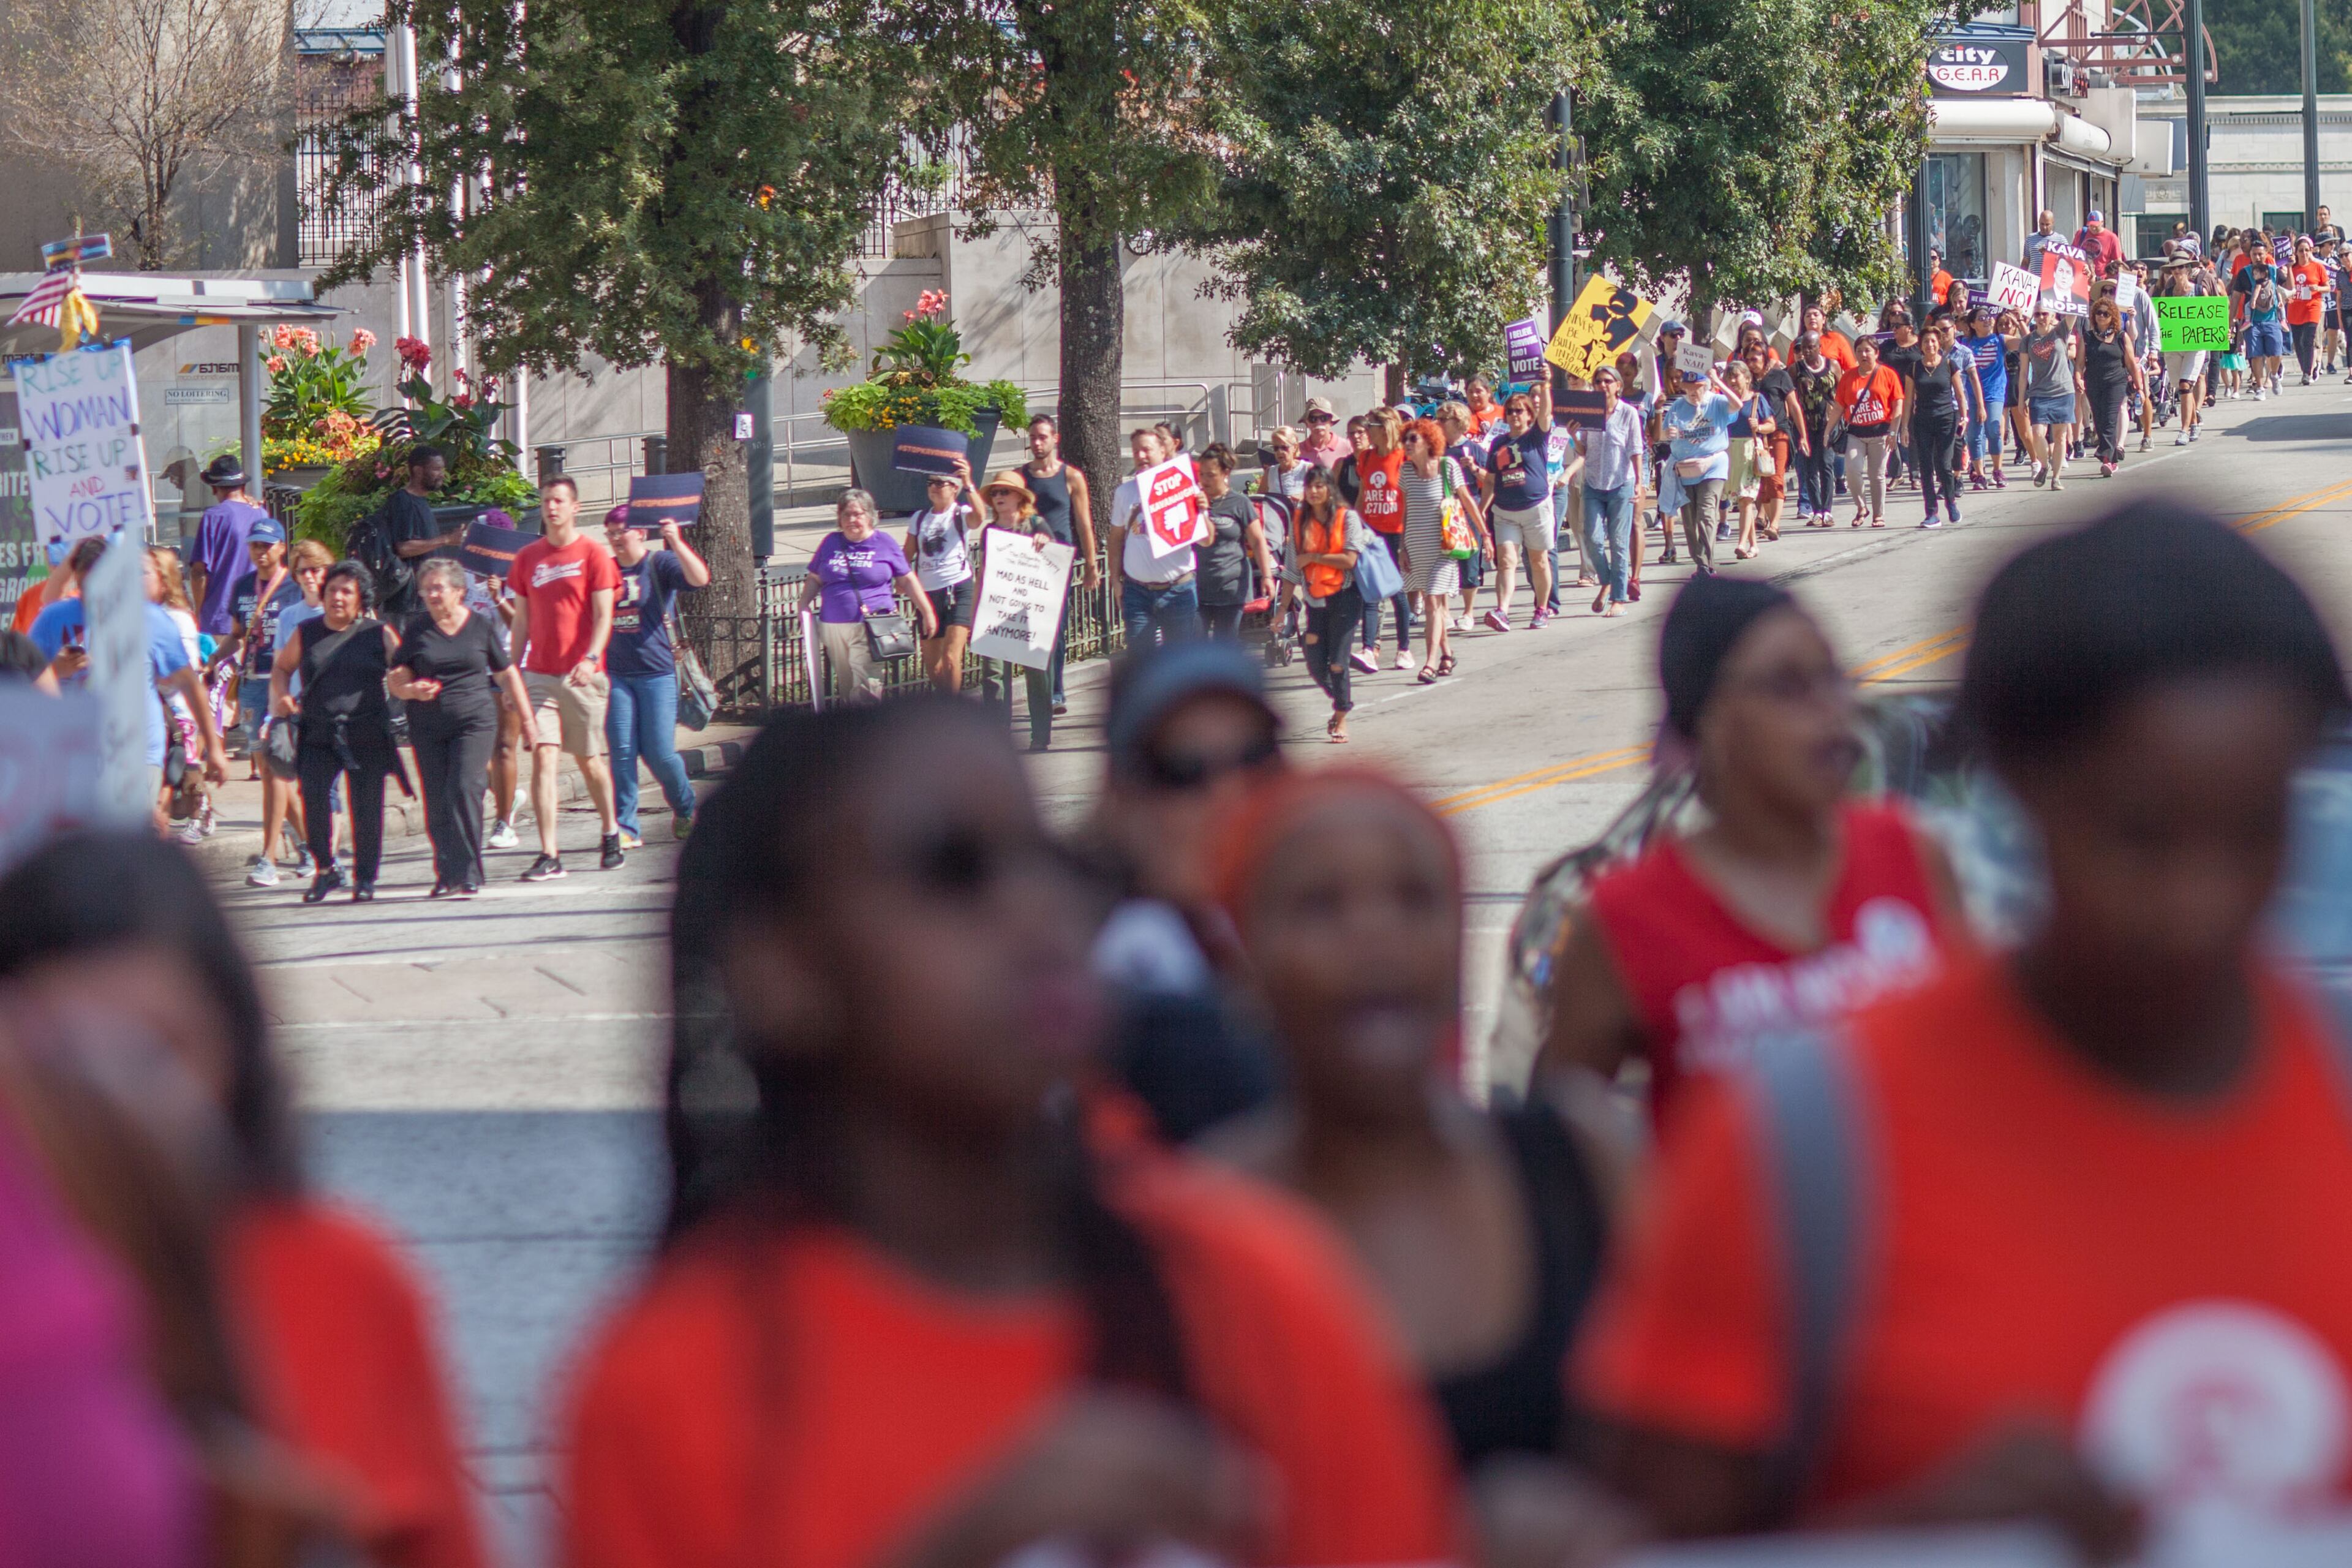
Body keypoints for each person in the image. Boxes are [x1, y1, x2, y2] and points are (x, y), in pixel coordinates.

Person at [1574, 507, 2352, 1557]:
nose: (2198, 906)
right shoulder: (1797, 1145)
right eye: (2141, 837)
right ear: (2019, 790)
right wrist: (1909, 1538)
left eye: (2256, 831)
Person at [575, 696, 1454, 1568]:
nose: (1035, 910)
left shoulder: (1247, 1284)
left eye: (1047, 858)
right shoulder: (673, 1384)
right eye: (952, 867)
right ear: (783, 966)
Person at [0, 830, 491, 1567]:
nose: (122, 1106)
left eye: (158, 1054)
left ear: (237, 1042)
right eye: (70, 1058)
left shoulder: (343, 1275)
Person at [1202, 770, 1635, 1558]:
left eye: (1414, 898)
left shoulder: (1584, 1163)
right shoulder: (1192, 1235)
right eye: (1319, 904)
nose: (1374, 934)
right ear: (1246, 962)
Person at [1539, 573, 1965, 1134]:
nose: (1832, 710)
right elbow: (1548, 1149)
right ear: (1710, 721)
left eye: (1833, 678)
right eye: (1789, 687)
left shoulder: (1911, 854)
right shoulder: (1624, 920)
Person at [28, 537, 228, 814]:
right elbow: (23, 681)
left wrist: (215, 749)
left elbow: (190, 684)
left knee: (124, 843)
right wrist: (55, 670)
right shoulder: (54, 618)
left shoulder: (151, 620)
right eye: (84, 585)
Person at [389, 558, 533, 896]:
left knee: (465, 788)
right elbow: (396, 678)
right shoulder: (417, 629)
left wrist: (528, 719)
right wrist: (411, 690)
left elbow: (506, 672)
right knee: (437, 799)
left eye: (438, 588)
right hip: (427, 725)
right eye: (426, 589)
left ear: (459, 592)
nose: (431, 595)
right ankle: (445, 872)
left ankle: (469, 871)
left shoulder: (481, 626)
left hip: (475, 721)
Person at [508, 475, 627, 880]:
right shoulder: (528, 558)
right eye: (546, 501)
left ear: (575, 507)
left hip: (583, 676)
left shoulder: (593, 555)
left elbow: (604, 615)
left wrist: (591, 658)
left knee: (589, 760)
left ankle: (611, 832)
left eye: (559, 501)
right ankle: (549, 853)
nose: (552, 508)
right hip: (540, 673)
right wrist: (513, 672)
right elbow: (521, 620)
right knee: (543, 755)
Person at [271, 561, 405, 903]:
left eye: (347, 591)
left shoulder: (378, 633)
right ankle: (326, 870)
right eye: (332, 590)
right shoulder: (306, 631)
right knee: (314, 801)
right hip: (318, 732)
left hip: (367, 732)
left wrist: (409, 686)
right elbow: (282, 669)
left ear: (361, 598)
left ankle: (365, 877)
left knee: (366, 807)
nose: (338, 597)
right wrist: (283, 698)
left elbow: (404, 669)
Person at [600, 501, 711, 845]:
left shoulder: (658, 564)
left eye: (622, 532)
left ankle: (684, 806)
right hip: (617, 673)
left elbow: (700, 578)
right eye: (610, 534)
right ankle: (627, 828)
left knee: (660, 753)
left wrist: (676, 541)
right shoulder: (604, 569)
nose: (616, 540)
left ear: (640, 533)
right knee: (622, 751)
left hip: (657, 674)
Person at [208, 519, 307, 884]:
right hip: (251, 685)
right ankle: (309, 847)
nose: (261, 553)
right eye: (254, 546)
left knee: (275, 769)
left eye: (267, 546)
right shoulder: (241, 586)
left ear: (282, 547)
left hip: (283, 683)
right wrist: (216, 658)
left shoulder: (295, 588)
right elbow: (237, 635)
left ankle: (271, 857)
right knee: (269, 769)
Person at [802, 488, 936, 709]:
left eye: (858, 514)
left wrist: (927, 611)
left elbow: (909, 580)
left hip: (870, 626)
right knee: (846, 686)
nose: (852, 520)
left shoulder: (885, 543)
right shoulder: (831, 542)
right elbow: (815, 578)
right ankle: (853, 735)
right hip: (833, 626)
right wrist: (803, 605)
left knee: (866, 685)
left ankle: (866, 734)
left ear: (871, 516)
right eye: (846, 514)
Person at [1021, 415, 1098, 717]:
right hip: (1025, 561)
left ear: (1056, 438)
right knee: (1031, 628)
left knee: (1056, 628)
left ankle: (1056, 691)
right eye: (1033, 438)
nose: (1037, 443)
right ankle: (1038, 689)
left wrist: (1091, 563)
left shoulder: (1071, 476)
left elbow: (1083, 521)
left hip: (1057, 561)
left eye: (1042, 437)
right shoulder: (1020, 477)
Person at [1292, 467, 1371, 744]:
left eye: (1319, 486)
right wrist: (1280, 610)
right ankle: (1342, 701)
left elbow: (1350, 560)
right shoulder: (1301, 519)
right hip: (1315, 599)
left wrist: (1314, 556)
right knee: (1314, 661)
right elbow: (1293, 567)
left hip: (1345, 597)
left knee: (1338, 663)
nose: (1313, 492)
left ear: (1329, 489)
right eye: (1309, 487)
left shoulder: (1348, 517)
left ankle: (1341, 717)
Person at [1106, 428, 1202, 650]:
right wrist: (1115, 582)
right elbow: (1116, 538)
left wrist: (1201, 510)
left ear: (1162, 451)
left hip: (1178, 591)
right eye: (1136, 451)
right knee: (1142, 663)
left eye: (1147, 450)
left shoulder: (1185, 487)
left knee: (1179, 663)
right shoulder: (1125, 492)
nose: (1141, 456)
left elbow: (1205, 541)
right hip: (1136, 593)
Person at [1395, 418, 1474, 684]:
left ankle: (1429, 663)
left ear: (1429, 441)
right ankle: (1447, 655)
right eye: (1405, 439)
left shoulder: (1447, 466)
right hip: (1416, 548)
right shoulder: (1405, 472)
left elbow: (1466, 499)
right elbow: (1404, 513)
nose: (1407, 444)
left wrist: (1484, 533)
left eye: (1413, 439)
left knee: (1431, 601)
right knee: (1437, 607)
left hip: (1444, 547)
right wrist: (1402, 547)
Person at [1480, 382, 1556, 633]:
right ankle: (1503, 611)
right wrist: (1481, 510)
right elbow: (1491, 480)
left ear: (1529, 415)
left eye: (1520, 411)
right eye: (1511, 411)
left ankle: (1542, 608)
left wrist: (1545, 385)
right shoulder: (1498, 443)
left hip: (1536, 508)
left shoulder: (1536, 436)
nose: (1514, 415)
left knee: (1539, 561)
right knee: (1506, 561)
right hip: (1505, 512)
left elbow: (1545, 413)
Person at [1341, 409, 1414, 671]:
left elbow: (1408, 500)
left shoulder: (1403, 457)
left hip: (1396, 532)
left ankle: (1404, 649)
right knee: (1371, 592)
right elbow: (1362, 495)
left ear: (1384, 428)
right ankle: (1369, 649)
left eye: (1370, 426)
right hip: (1371, 533)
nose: (1365, 430)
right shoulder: (1368, 457)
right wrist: (1355, 528)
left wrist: (1406, 542)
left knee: (1396, 592)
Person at [903, 466, 984, 693]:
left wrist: (969, 482)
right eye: (931, 482)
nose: (934, 487)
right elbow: (906, 555)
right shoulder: (919, 519)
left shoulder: (961, 513)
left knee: (951, 657)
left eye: (941, 483)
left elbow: (980, 517)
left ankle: (954, 715)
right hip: (928, 595)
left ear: (955, 489)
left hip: (958, 588)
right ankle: (948, 701)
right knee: (934, 667)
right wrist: (898, 579)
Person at [1577, 365, 1648, 616]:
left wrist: (1639, 482)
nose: (1602, 385)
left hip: (1621, 483)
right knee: (1593, 539)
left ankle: (1619, 599)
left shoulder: (1628, 413)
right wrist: (1575, 436)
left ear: (1618, 385)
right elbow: (1583, 451)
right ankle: (1607, 580)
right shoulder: (1589, 412)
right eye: (1598, 381)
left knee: (1619, 543)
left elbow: (1635, 450)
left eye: (1608, 381)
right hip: (1594, 483)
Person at [1659, 364, 1736, 573]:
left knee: (1706, 514)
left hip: (1713, 466)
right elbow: (1663, 434)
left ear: (1706, 386)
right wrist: (1668, 433)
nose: (1694, 394)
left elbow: (1737, 404)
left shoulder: (1717, 402)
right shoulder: (1677, 407)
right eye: (1689, 389)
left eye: (1698, 388)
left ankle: (1706, 565)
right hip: (1686, 469)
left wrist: (1719, 381)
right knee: (1690, 521)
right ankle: (1699, 560)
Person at [1194, 443, 1274, 643]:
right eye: (1202, 475)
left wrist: (1267, 576)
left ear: (1225, 473)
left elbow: (1257, 541)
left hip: (1231, 588)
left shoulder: (1240, 503)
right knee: (1196, 649)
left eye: (1211, 475)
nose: (1205, 481)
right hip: (1197, 589)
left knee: (1225, 647)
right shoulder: (1192, 503)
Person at [186, 453, 271, 637]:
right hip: (254, 615)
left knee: (219, 665)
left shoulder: (213, 517)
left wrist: (198, 612)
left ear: (214, 488)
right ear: (243, 485)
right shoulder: (262, 514)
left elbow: (199, 571)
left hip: (220, 617)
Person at [1831, 336, 1902, 528]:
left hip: (1881, 433)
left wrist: (1894, 432)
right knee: (1853, 470)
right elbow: (1839, 406)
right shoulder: (1848, 377)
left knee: (1877, 475)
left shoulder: (1888, 374)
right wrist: (1827, 431)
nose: (1864, 354)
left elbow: (1898, 404)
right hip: (1856, 433)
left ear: (1876, 353)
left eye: (1868, 350)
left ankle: (1878, 515)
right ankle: (1861, 507)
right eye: (1860, 351)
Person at [1907, 325, 1973, 528]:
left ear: (1939, 343)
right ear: (1921, 345)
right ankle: (1932, 513)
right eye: (1926, 341)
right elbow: (1908, 400)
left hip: (1946, 420)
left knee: (1944, 466)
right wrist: (1903, 428)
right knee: (1926, 468)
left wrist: (1964, 416)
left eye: (1934, 341)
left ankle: (1951, 502)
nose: (1930, 345)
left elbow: (1960, 394)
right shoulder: (1914, 368)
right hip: (1923, 421)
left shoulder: (1949, 365)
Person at [382, 445, 458, 619]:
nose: (441, 474)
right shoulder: (403, 502)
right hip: (409, 605)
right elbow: (403, 548)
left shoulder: (420, 501)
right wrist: (446, 540)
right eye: (436, 469)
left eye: (442, 469)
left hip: (423, 602)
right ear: (417, 470)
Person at [2078, 293, 2142, 479]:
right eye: (2098, 313)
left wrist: (2140, 388)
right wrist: (2078, 378)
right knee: (2099, 420)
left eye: (2106, 314)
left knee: (2111, 418)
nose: (2101, 316)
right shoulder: (2087, 337)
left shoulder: (2122, 337)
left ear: (2112, 316)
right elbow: (2080, 364)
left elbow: (2131, 364)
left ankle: (2106, 458)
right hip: (2094, 382)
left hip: (2116, 382)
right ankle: (2112, 460)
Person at [2021, 303, 2078, 491]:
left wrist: (2070, 289)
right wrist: (2022, 397)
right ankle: (2044, 465)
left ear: (2053, 314)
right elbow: (2023, 373)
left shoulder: (2061, 331)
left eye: (2045, 313)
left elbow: (2074, 312)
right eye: (2037, 314)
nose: (2041, 317)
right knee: (2038, 433)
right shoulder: (2028, 340)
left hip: (2063, 391)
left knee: (2061, 436)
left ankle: (2057, 477)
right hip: (2039, 392)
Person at [1786, 334, 1842, 527]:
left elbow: (1842, 394)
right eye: (1803, 349)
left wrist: (1839, 415)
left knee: (1826, 465)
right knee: (1809, 469)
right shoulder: (1795, 370)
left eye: (1811, 347)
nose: (1807, 352)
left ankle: (1827, 511)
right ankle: (1816, 511)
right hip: (1806, 425)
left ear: (1819, 347)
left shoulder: (1832, 366)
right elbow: (1789, 396)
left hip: (1827, 425)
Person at [1955, 304, 2013, 489]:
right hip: (1970, 395)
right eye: (1981, 318)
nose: (1987, 320)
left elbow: (2026, 342)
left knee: (1994, 429)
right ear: (1972, 325)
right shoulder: (1965, 344)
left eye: (1989, 317)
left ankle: (1998, 471)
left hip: (1994, 392)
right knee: (1973, 436)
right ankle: (1980, 474)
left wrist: (2019, 321)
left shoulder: (2000, 340)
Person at [2157, 258, 2209, 445]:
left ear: (2188, 269)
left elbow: (2210, 316)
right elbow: (2162, 320)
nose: (2177, 271)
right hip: (2174, 346)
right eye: (2174, 268)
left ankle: (2184, 430)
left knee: (2186, 384)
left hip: (2195, 345)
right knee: (2182, 388)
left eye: (2181, 267)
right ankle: (2194, 423)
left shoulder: (2198, 291)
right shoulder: (2167, 294)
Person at [1721, 361, 1770, 559]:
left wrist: (1759, 427)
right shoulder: (1723, 402)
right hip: (1730, 451)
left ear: (1747, 379)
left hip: (1750, 450)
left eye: (1737, 376)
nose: (1732, 381)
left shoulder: (1757, 400)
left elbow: (1772, 425)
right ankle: (1754, 545)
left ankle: (1741, 544)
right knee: (1742, 501)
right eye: (1729, 377)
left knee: (1746, 499)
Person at [2232, 241, 2288, 398]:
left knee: (2277, 352)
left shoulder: (2274, 271)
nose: (2257, 257)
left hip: (2272, 319)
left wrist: (2289, 266)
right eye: (2254, 254)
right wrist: (2231, 320)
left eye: (2260, 254)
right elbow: (2236, 296)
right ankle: (2260, 387)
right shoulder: (2245, 273)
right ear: (2250, 255)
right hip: (2253, 321)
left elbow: (2289, 286)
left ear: (2266, 254)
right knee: (2255, 355)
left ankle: (2275, 375)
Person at [2285, 233, 2329, 385]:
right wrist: (2290, 268)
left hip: (2312, 307)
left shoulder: (2318, 267)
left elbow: (2328, 287)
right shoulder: (2293, 268)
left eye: (2307, 250)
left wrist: (2317, 287)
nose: (2304, 253)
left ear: (2311, 251)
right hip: (2295, 308)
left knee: (2308, 340)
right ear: (2296, 252)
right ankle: (2306, 368)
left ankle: (2306, 373)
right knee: (2298, 343)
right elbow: (2289, 288)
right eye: (2301, 250)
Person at [1255, 427, 1313, 502]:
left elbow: (1321, 495)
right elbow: (1259, 500)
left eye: (1284, 447)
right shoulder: (1270, 472)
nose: (1280, 452)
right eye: (1276, 448)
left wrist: (1304, 496)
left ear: (1295, 447)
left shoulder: (1307, 469)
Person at [1297, 396, 1352, 469]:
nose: (1318, 423)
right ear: (1306, 423)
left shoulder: (1348, 447)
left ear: (1331, 422)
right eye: (1313, 419)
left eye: (1324, 418)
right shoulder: (1297, 451)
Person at [2072, 207, 2122, 276]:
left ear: (2102, 223)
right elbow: (2072, 253)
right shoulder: (2081, 233)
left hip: (2101, 278)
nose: (2093, 228)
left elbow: (2118, 262)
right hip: (2082, 276)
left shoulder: (2112, 238)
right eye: (2091, 225)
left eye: (2096, 226)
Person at [2022, 208, 2058, 273]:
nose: (2044, 227)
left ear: (2053, 223)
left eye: (2047, 225)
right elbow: (2026, 261)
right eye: (2042, 224)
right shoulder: (2030, 238)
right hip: (2035, 281)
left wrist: (2050, 252)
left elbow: (2066, 261)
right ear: (2039, 222)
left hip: (2051, 281)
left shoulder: (2060, 239)